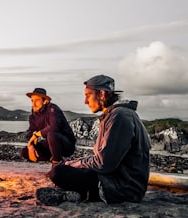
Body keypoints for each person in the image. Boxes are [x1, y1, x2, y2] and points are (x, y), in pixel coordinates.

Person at [36, 74, 151, 206]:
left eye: (88, 95)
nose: (85, 101)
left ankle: (77, 194)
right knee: (65, 169)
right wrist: (75, 162)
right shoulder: (114, 115)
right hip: (115, 179)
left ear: (102, 94)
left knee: (59, 172)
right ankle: (77, 194)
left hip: (124, 188)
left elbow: (104, 163)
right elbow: (104, 159)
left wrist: (73, 164)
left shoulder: (120, 116)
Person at [20, 88, 76, 166]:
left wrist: (37, 134)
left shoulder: (52, 109)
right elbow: (31, 132)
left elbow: (55, 126)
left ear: (45, 101)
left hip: (66, 144)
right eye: (32, 101)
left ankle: (56, 164)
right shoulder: (33, 116)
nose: (33, 104)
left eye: (37, 100)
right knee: (25, 152)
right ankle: (54, 158)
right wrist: (30, 145)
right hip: (51, 145)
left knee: (51, 134)